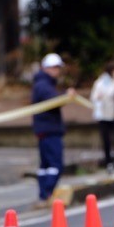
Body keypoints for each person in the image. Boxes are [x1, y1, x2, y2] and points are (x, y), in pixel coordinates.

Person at [31, 53, 74, 206]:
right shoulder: (43, 85)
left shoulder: (43, 83)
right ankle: (47, 192)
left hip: (45, 129)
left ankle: (44, 194)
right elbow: (54, 100)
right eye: (55, 68)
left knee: (46, 165)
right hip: (49, 130)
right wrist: (65, 95)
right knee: (55, 164)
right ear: (47, 68)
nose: (57, 71)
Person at [90, 61, 114, 171]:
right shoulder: (100, 83)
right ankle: (108, 162)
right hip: (104, 115)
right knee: (106, 140)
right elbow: (94, 97)